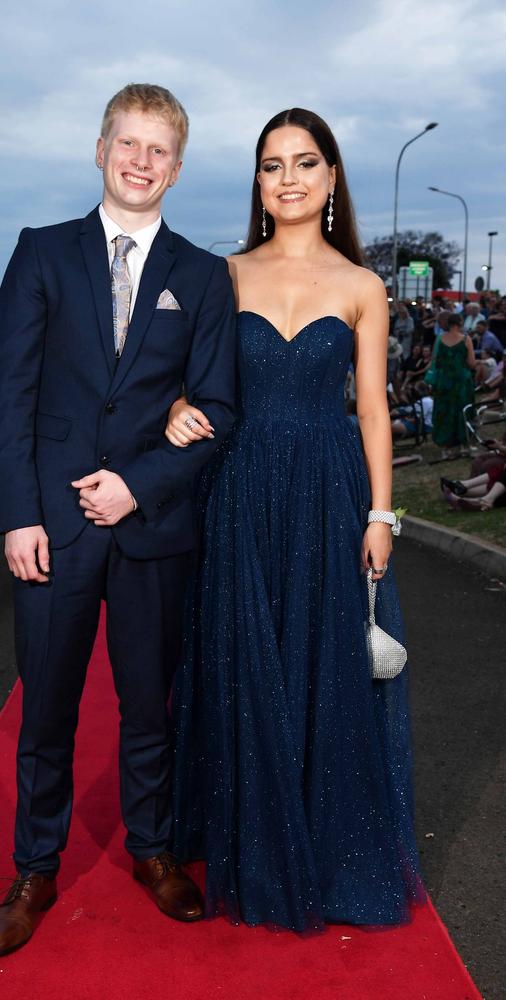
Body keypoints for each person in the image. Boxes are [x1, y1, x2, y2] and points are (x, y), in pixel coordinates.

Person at [0, 83, 237, 957]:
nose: (139, 161)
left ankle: (155, 851)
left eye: (157, 149)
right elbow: (9, 394)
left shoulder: (203, 275)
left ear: (177, 166)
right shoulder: (42, 253)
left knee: (148, 709)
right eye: (125, 143)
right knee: (46, 708)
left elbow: (217, 407)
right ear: (100, 150)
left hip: (151, 526)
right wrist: (18, 514)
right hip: (51, 527)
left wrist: (138, 483)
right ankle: (34, 868)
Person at [170, 108, 424, 930]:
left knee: (323, 661)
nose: (288, 178)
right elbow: (188, 383)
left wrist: (382, 514)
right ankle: (254, 841)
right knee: (248, 661)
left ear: (331, 179)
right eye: (272, 164)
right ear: (258, 182)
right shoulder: (224, 276)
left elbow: (376, 412)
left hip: (329, 488)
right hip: (239, 490)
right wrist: (176, 405)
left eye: (305, 162)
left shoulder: (362, 285)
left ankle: (327, 845)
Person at [430, 312, 476, 459]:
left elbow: (435, 360)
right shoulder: (466, 339)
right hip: (461, 381)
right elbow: (471, 363)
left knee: (444, 412)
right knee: (462, 411)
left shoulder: (440, 339)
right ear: (460, 324)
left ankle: (445, 448)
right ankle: (463, 445)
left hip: (444, 381)